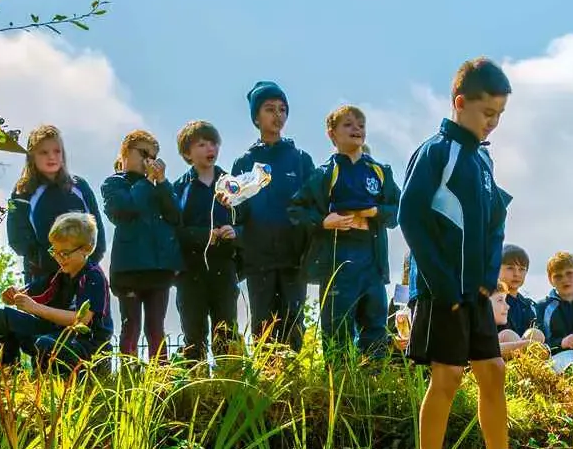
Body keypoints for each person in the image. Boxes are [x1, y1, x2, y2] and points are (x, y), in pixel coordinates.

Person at [401, 58, 555, 449]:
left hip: (476, 294)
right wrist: (442, 286)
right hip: (441, 292)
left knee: (493, 371)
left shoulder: (483, 160)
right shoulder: (437, 151)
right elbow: (411, 217)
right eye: (487, 113)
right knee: (447, 377)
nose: (493, 123)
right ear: (460, 102)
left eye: (500, 115)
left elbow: (495, 220)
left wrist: (489, 281)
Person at [288, 105, 401, 359]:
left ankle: (374, 378)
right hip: (338, 261)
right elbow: (296, 209)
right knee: (337, 332)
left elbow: (399, 209)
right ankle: (338, 379)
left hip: (372, 261)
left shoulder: (380, 171)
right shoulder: (325, 173)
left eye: (361, 125)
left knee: (376, 328)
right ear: (332, 133)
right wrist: (324, 221)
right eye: (348, 125)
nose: (356, 129)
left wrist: (375, 212)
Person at [231, 81, 316, 350]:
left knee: (293, 326)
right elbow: (237, 211)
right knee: (263, 328)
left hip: (294, 258)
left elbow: (313, 204)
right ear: (256, 117)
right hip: (258, 259)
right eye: (269, 109)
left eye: (282, 109)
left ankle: (293, 377)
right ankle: (265, 375)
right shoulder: (244, 162)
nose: (277, 115)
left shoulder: (300, 159)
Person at [0, 212, 112, 371]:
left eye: (65, 253)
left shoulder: (93, 277)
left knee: (45, 344)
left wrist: (35, 308)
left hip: (87, 347)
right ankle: (5, 372)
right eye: (54, 251)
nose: (59, 258)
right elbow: (26, 293)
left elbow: (81, 320)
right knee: (0, 315)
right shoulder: (59, 275)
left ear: (86, 249)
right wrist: (12, 295)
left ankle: (50, 380)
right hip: (56, 335)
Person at [102, 130, 183, 361]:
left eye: (154, 157)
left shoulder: (159, 187)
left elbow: (175, 215)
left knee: (156, 328)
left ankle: (160, 375)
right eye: (144, 154)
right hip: (128, 270)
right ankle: (129, 375)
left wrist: (163, 182)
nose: (149, 161)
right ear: (126, 152)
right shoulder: (114, 183)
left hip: (158, 269)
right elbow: (124, 209)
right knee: (131, 326)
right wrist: (147, 183)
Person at [169, 120, 242, 361]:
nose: (210, 149)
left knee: (226, 334)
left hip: (225, 268)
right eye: (201, 144)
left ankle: (229, 379)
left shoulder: (232, 184)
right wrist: (204, 236)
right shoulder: (179, 188)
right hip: (191, 272)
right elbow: (173, 230)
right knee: (194, 336)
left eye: (213, 143)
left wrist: (235, 232)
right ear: (187, 153)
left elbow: (247, 220)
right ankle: (197, 380)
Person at [4, 125, 107, 290]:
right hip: (43, 278)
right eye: (44, 152)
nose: (51, 157)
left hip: (82, 276)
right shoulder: (22, 192)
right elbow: (17, 239)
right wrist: (44, 261)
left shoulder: (80, 186)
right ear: (32, 156)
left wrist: (86, 264)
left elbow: (97, 233)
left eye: (56, 151)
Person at [492, 245, 543, 360]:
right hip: (496, 356)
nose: (517, 274)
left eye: (521, 269)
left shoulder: (528, 306)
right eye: (510, 268)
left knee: (535, 333)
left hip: (525, 356)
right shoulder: (490, 301)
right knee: (508, 335)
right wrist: (521, 346)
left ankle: (526, 365)